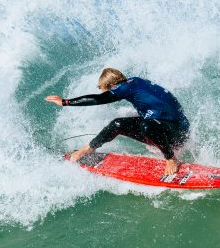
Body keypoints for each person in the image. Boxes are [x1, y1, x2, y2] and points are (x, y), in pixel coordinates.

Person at [46, 67, 190, 176]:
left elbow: (98, 99)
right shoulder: (135, 82)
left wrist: (64, 102)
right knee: (118, 124)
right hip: (167, 127)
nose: (106, 94)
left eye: (106, 90)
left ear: (113, 85)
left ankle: (171, 158)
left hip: (176, 133)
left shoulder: (123, 88)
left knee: (146, 125)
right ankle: (88, 148)